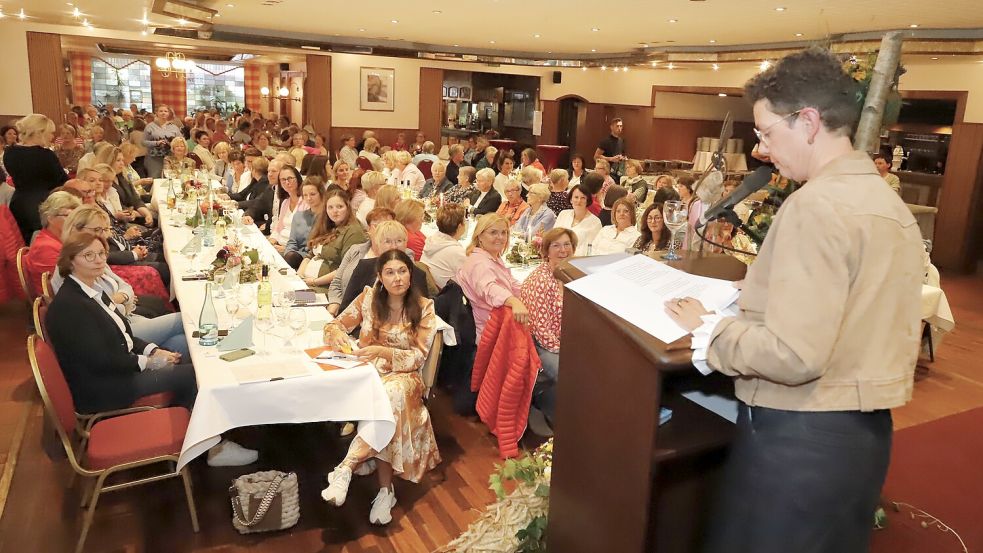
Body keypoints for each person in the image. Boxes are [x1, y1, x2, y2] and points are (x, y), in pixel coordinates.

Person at [664, 47, 924, 553]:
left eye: (765, 133)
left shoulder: (816, 206)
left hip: (799, 441)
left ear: (807, 121)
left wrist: (709, 328)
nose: (761, 150)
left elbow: (794, 355)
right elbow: (858, 306)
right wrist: (761, 290)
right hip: (862, 437)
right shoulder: (887, 203)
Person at [47, 232, 257, 467]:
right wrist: (148, 363)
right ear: (71, 260)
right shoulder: (70, 307)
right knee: (195, 375)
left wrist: (152, 350)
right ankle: (212, 448)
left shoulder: (91, 291)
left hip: (114, 372)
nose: (98, 260)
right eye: (89, 255)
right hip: (104, 387)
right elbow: (100, 361)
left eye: (101, 254)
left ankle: (187, 425)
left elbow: (124, 333)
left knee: (184, 351)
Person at [321, 249, 441, 525]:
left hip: (404, 376)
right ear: (380, 276)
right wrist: (342, 341)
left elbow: (417, 357)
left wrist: (381, 351)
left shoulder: (424, 308)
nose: (397, 278)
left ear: (411, 274)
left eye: (402, 271)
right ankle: (385, 491)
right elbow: (335, 325)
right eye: (390, 272)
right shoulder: (369, 298)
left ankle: (347, 468)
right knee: (384, 404)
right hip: (366, 373)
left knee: (389, 399)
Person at [519, 227, 576, 428]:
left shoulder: (571, 274)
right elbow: (542, 333)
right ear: (546, 251)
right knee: (574, 375)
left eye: (567, 244)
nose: (563, 250)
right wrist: (570, 352)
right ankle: (558, 416)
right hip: (542, 346)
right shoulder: (541, 281)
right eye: (556, 245)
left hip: (564, 340)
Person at [456, 213, 529, 341]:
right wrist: (513, 300)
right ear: (480, 236)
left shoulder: (491, 257)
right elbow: (489, 289)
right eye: (493, 232)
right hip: (491, 332)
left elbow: (511, 283)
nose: (500, 237)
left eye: (504, 232)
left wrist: (533, 290)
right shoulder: (479, 263)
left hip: (499, 322)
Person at [4, 114, 68, 242]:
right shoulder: (46, 156)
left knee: (23, 242)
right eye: (50, 133)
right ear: (40, 133)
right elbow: (62, 181)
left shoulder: (10, 153)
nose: (52, 136)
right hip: (43, 205)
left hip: (19, 203)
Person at [327, 209, 399, 314]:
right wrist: (334, 306)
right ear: (369, 229)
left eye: (388, 225)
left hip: (372, 314)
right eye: (377, 226)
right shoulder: (355, 250)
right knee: (299, 300)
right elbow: (337, 281)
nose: (382, 230)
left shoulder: (400, 257)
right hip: (339, 307)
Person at [298, 189, 369, 291]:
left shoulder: (354, 231)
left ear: (348, 208)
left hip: (327, 289)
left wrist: (315, 282)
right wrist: (299, 274)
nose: (335, 211)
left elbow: (346, 268)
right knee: (285, 293)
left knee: (292, 300)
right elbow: (310, 254)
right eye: (330, 207)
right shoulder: (327, 225)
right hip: (308, 282)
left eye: (340, 207)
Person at [23, 191, 81, 295]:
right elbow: (65, 286)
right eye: (68, 215)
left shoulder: (61, 239)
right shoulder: (45, 248)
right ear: (50, 218)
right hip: (62, 303)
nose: (74, 221)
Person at [421, 203, 468, 289]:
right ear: (460, 226)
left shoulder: (432, 240)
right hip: (449, 296)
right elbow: (471, 281)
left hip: (436, 292)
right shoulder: (456, 252)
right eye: (464, 220)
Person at [283, 176, 325, 269]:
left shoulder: (328, 217)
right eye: (305, 195)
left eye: (313, 194)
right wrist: (289, 253)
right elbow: (292, 241)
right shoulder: (298, 216)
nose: (308, 198)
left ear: (321, 193)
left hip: (316, 258)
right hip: (297, 256)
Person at [554, 184, 602, 257]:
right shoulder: (563, 214)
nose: (579, 201)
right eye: (576, 197)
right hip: (557, 256)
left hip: (578, 261)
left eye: (583, 198)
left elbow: (593, 249)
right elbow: (553, 237)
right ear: (571, 199)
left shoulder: (595, 222)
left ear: (587, 201)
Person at [230, 156, 274, 232]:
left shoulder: (265, 183)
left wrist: (236, 204)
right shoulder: (255, 181)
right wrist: (227, 196)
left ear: (253, 170)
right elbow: (241, 194)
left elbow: (257, 203)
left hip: (258, 220)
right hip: (248, 215)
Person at [269, 166, 304, 252]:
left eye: (290, 178)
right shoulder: (285, 202)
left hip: (294, 251)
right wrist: (271, 240)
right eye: (283, 180)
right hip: (279, 245)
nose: (287, 182)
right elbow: (279, 227)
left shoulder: (305, 202)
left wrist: (287, 249)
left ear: (298, 179)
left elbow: (305, 235)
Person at [142, 105, 182, 178]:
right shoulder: (150, 126)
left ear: (168, 113)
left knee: (170, 177)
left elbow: (181, 140)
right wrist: (156, 143)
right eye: (161, 111)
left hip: (170, 157)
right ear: (156, 113)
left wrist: (173, 144)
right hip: (154, 158)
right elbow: (143, 142)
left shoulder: (174, 127)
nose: (163, 113)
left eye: (165, 111)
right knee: (155, 178)